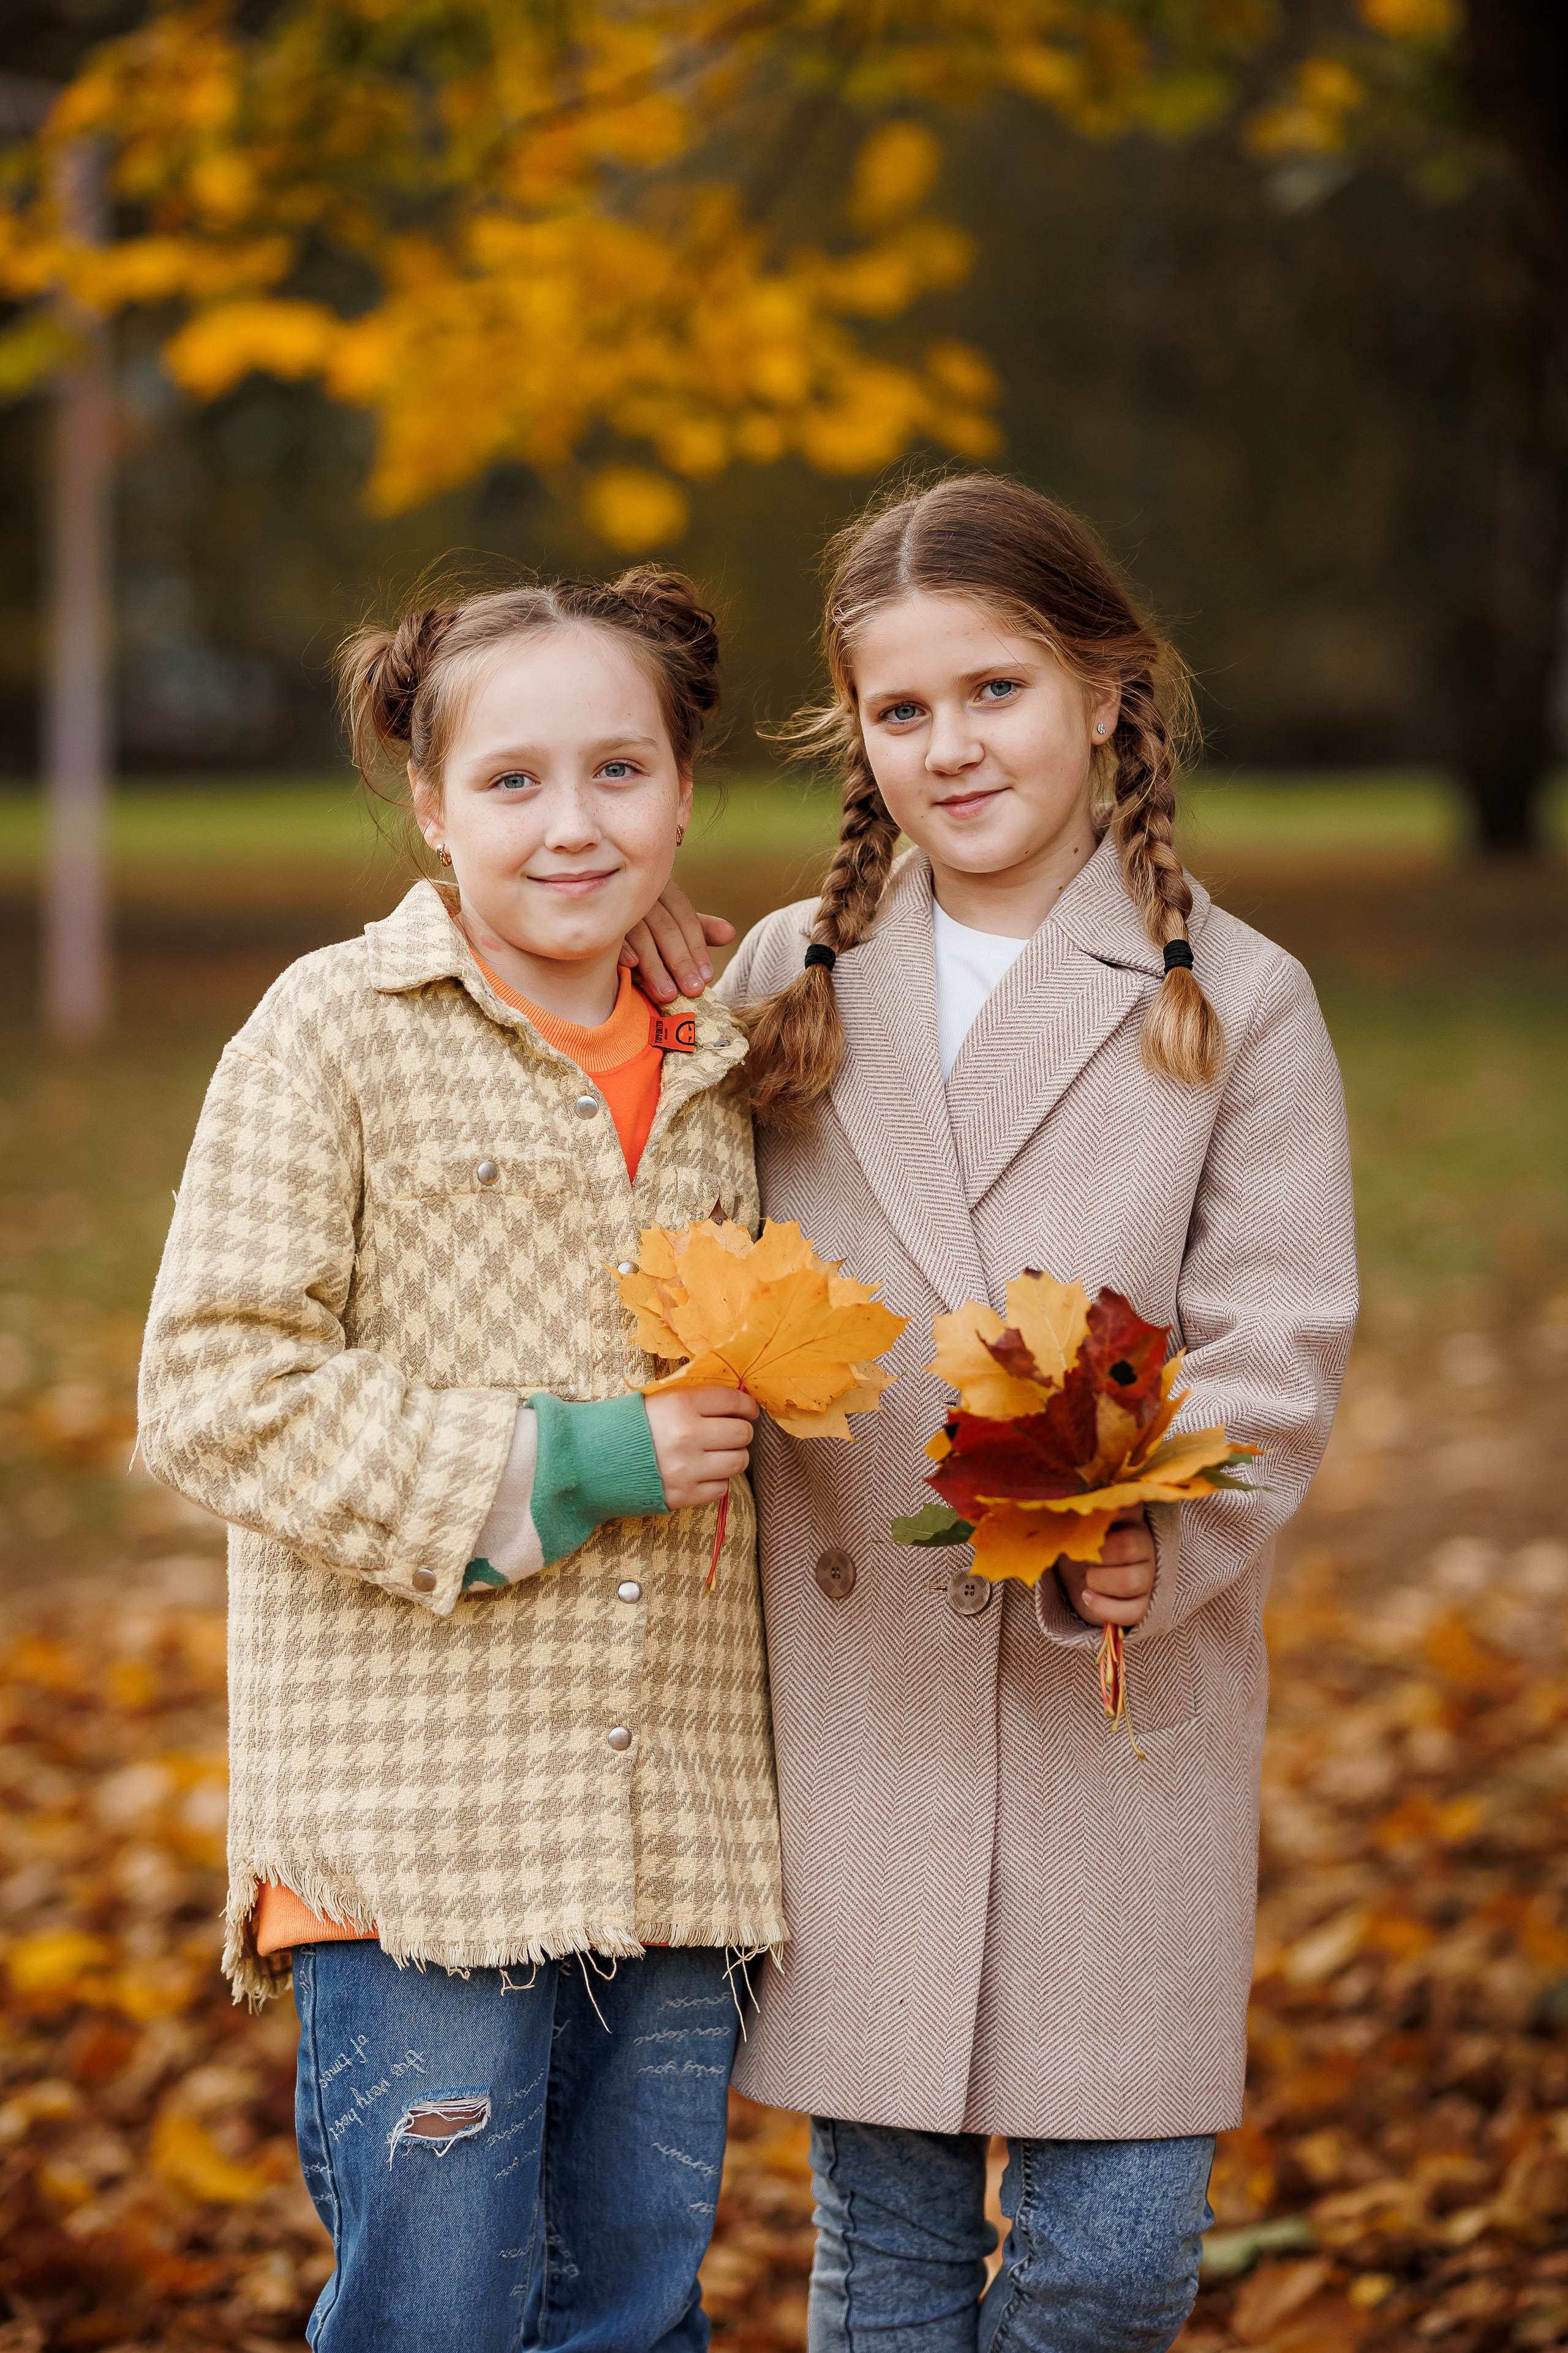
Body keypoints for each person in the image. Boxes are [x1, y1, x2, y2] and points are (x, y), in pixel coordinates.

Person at [625, 475, 1359, 2351]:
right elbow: (654, 1191)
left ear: (1107, 692)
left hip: (1113, 1689)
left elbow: (1279, 1338)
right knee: (891, 2245)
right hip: (866, 1710)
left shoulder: (1234, 998)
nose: (953, 746)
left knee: (1116, 2252)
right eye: (903, 709)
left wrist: (1160, 1537)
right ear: (860, 736)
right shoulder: (787, 976)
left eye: (998, 691)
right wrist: (624, 970)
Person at [137, 569, 783, 2353]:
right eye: (511, 781)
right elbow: (211, 1384)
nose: (572, 825)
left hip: (674, 1834)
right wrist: (580, 1457)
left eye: (619, 773)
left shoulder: (740, 1053)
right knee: (433, 2313)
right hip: (418, 1838)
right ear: (428, 803)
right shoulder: (332, 1032)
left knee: (636, 2307)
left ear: (680, 788)